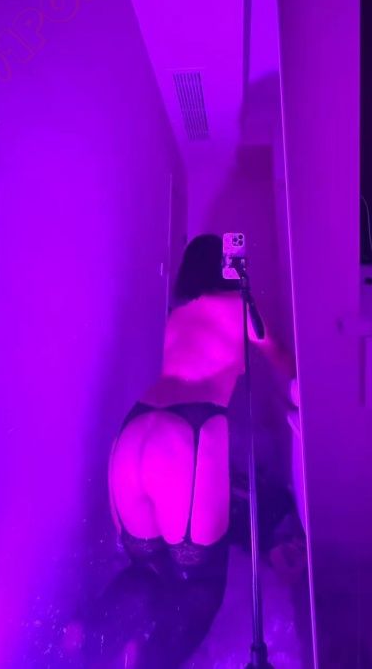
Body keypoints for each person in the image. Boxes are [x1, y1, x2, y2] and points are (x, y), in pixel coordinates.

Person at [78, 233, 296, 668]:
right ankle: (146, 657)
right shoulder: (241, 307)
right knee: (201, 586)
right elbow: (285, 364)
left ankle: (85, 631)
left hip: (134, 429)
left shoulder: (174, 316)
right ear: (225, 269)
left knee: (148, 569)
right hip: (187, 432)